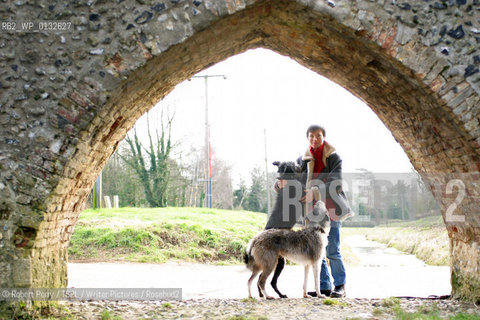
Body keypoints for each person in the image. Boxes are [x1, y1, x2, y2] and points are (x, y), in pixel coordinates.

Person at [275, 124, 352, 298]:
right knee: (316, 249)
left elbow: (337, 184)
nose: (314, 139)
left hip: (332, 208)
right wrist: (280, 184)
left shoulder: (334, 158)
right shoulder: (302, 160)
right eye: (311, 136)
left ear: (323, 137)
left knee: (333, 249)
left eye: (318, 136)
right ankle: (324, 286)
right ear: (307, 138)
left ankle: (340, 285)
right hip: (311, 211)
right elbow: (290, 177)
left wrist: (315, 193)